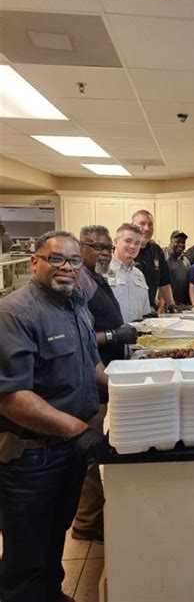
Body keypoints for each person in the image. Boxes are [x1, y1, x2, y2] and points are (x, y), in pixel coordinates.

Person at [0, 230, 109, 602]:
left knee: (53, 538)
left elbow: (90, 366)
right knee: (26, 555)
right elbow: (11, 396)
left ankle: (52, 594)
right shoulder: (15, 312)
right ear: (35, 262)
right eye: (56, 259)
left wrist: (128, 388)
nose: (66, 267)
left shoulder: (75, 304)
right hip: (32, 457)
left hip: (68, 450)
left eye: (74, 260)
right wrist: (79, 430)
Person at [71, 225, 137, 545]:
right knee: (94, 452)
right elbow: (80, 337)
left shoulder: (97, 277)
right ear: (81, 247)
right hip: (92, 381)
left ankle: (90, 516)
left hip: (107, 371)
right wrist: (113, 335)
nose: (103, 253)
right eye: (96, 247)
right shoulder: (80, 282)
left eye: (106, 248)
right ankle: (86, 521)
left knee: (100, 450)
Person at [131, 210, 177, 311]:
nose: (147, 228)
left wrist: (172, 307)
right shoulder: (126, 250)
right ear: (132, 226)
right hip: (129, 311)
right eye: (142, 224)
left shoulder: (156, 250)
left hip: (149, 310)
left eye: (150, 224)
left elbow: (164, 283)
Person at [107, 223, 151, 323]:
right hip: (109, 336)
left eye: (137, 243)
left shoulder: (139, 275)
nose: (133, 246)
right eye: (128, 241)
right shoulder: (101, 271)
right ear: (115, 242)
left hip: (136, 335)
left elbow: (144, 312)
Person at [163, 230, 191, 306]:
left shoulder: (186, 261)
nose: (181, 245)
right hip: (165, 304)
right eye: (178, 242)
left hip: (183, 304)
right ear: (171, 241)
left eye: (183, 242)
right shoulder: (163, 256)